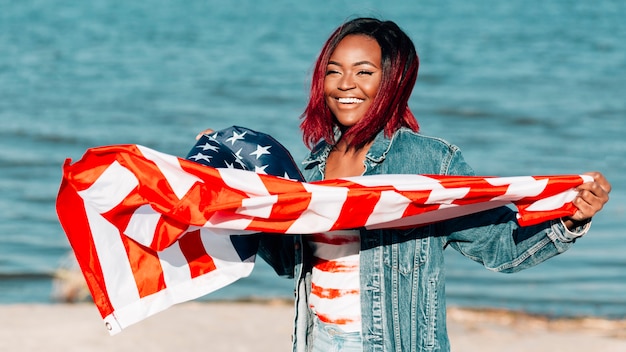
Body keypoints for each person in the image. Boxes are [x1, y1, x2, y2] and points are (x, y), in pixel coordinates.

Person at [198, 17, 610, 352]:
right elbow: (291, 263)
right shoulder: (315, 166)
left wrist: (571, 221)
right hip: (316, 340)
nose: (345, 85)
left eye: (364, 72)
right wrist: (229, 181)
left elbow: (499, 248)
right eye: (334, 71)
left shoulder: (429, 164)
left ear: (392, 80)